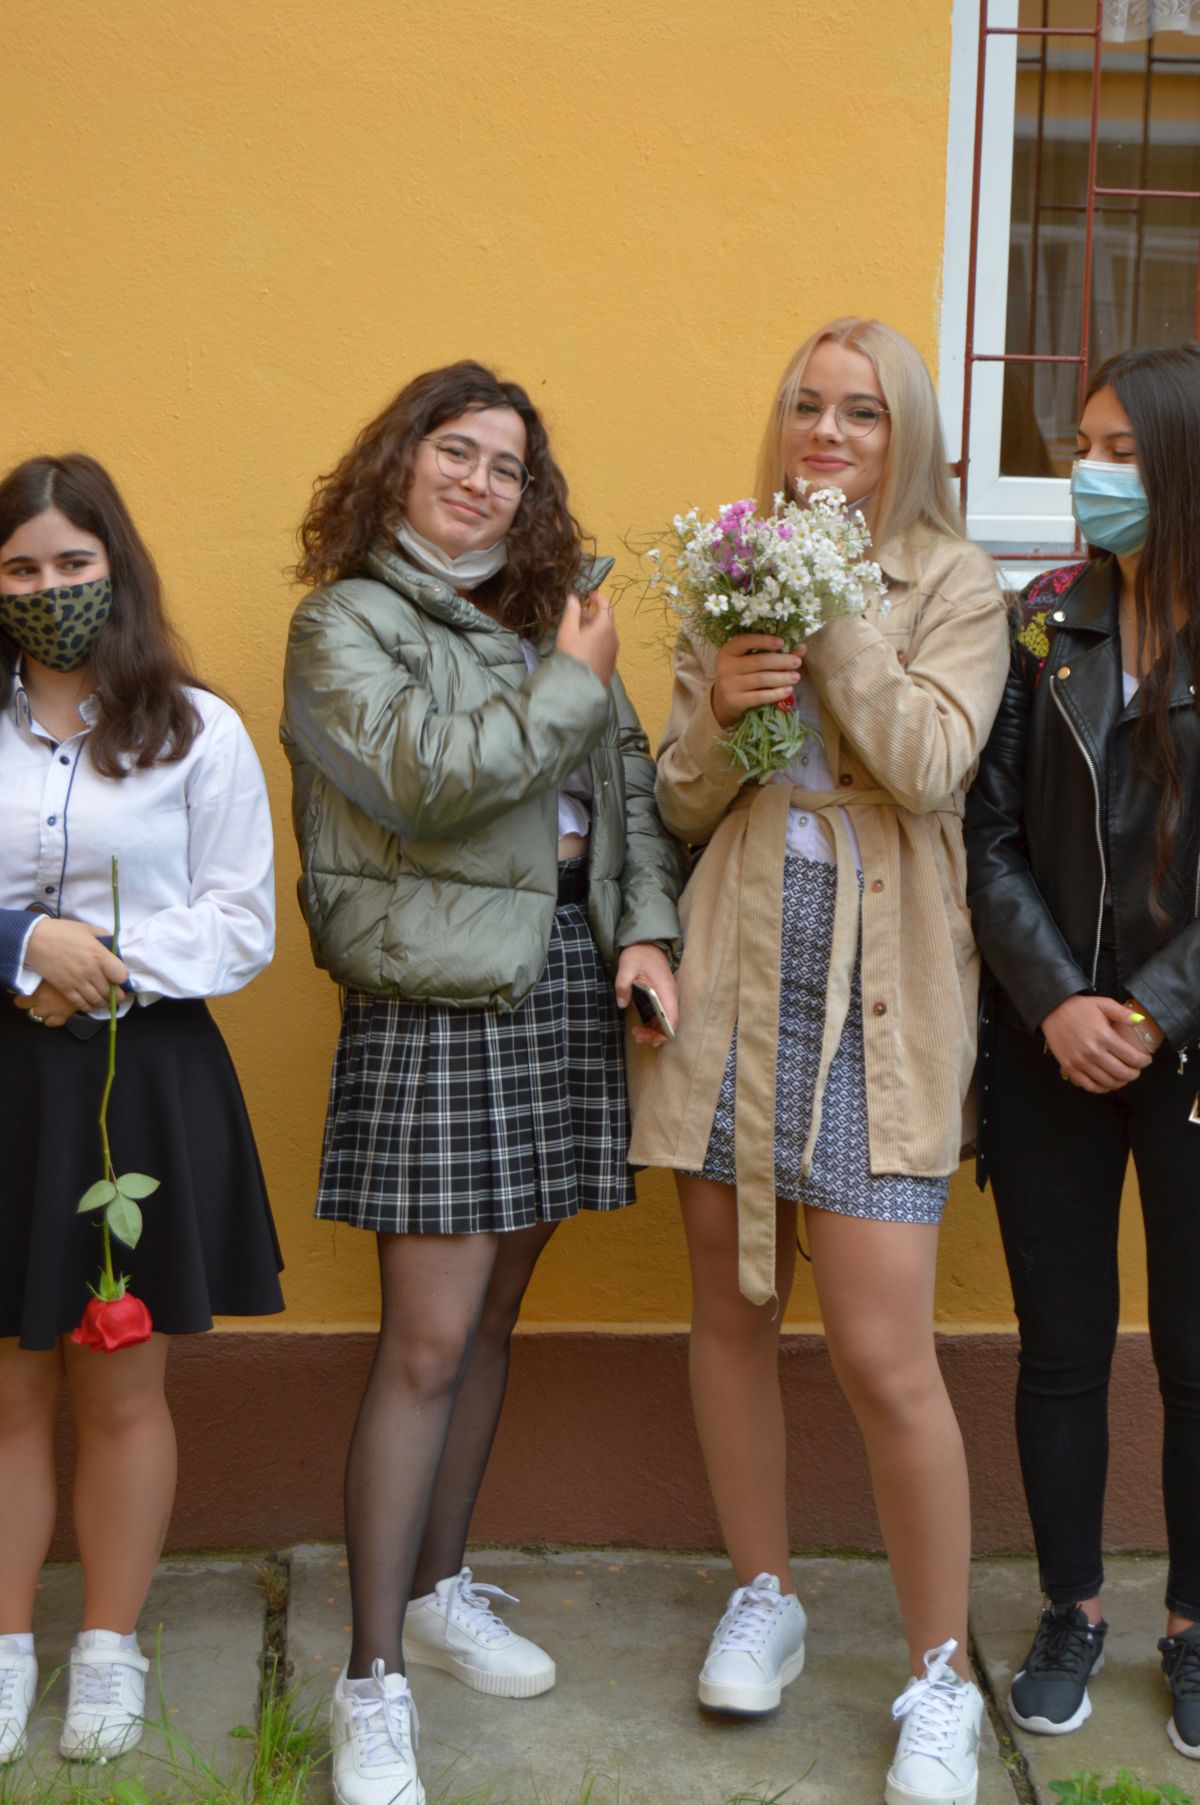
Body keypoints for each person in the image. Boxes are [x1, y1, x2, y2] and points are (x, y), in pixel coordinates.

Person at [282, 360, 684, 1805]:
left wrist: (642, 931)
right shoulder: (344, 625)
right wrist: (572, 680)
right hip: (438, 996)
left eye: (508, 467)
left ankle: (440, 1589)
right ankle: (370, 1678)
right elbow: (426, 780)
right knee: (427, 1342)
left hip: (564, 978)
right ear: (399, 461)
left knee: (498, 1312)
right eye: (456, 451)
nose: (482, 482)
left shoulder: (542, 618)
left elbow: (625, 793)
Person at [629, 318, 1010, 1805]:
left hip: (881, 992)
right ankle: (764, 1592)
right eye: (808, 407)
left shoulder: (956, 582)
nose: (829, 434)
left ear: (906, 435)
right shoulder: (726, 574)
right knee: (732, 1308)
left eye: (862, 412)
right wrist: (724, 713)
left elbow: (927, 765)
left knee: (882, 1351)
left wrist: (835, 603)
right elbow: (682, 801)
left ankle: (938, 1675)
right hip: (735, 973)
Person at [0, 455, 281, 1765]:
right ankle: (7, 1645)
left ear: (116, 567)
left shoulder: (196, 731)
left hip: (136, 1078)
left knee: (120, 1381)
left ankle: (108, 1644)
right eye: (20, 568)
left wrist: (89, 962)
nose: (48, 588)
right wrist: (20, 945)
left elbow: (240, 919)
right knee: (7, 1386)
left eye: (72, 562)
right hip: (4, 1075)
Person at [965, 343, 1200, 1761]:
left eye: (1120, 450)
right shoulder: (1044, 622)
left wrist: (1154, 1008)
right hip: (1047, 1046)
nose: (1089, 473)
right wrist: (1057, 1000)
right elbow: (987, 833)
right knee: (1061, 1346)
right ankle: (1073, 1609)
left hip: (1189, 1052)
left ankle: (1193, 1626)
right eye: (1084, 445)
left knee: (1198, 1354)